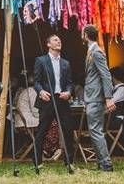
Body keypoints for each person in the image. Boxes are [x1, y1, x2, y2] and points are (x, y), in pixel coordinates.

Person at [32, 34, 75, 168]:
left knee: (68, 130)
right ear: (48, 44)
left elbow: (69, 83)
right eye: (56, 40)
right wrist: (40, 91)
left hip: (62, 99)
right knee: (42, 131)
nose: (59, 42)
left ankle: (69, 162)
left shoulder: (65, 63)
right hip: (47, 99)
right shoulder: (41, 60)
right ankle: (37, 161)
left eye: (60, 40)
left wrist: (68, 92)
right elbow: (36, 81)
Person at [82, 24, 115, 172]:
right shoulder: (91, 51)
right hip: (91, 97)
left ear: (86, 35)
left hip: (95, 97)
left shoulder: (96, 52)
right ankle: (101, 162)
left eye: (82, 33)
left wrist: (108, 98)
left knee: (96, 131)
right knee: (94, 130)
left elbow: (106, 75)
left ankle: (106, 163)